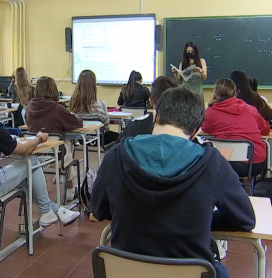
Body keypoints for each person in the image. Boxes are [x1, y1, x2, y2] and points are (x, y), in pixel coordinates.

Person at [91, 87, 255, 278]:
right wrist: (202, 220)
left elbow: (98, 209)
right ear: (195, 131)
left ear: (156, 117)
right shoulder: (212, 163)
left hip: (127, 271)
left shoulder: (115, 155)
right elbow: (245, 219)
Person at [0, 71, 80, 226]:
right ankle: (48, 211)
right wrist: (39, 138)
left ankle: (54, 210)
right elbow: (24, 151)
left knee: (28, 176)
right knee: (31, 161)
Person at [26, 76, 83, 202]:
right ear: (54, 90)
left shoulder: (29, 107)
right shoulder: (57, 109)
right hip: (56, 154)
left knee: (64, 144)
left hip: (35, 152)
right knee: (68, 145)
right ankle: (69, 189)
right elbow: (77, 123)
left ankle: (59, 175)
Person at [202, 78, 270, 177]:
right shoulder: (250, 109)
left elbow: (205, 128)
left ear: (215, 94)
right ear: (234, 92)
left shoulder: (210, 113)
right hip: (256, 163)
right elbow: (266, 129)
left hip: (228, 162)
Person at [69, 70, 119, 145]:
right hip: (99, 138)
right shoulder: (101, 104)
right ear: (94, 85)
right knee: (121, 137)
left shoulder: (73, 104)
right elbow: (106, 127)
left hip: (81, 139)